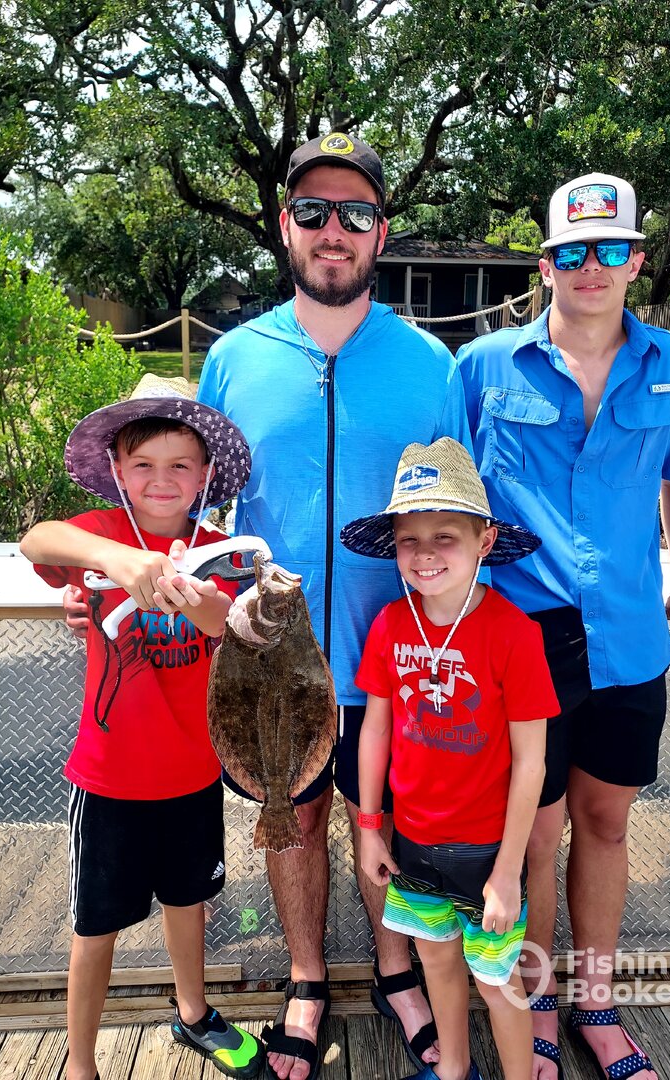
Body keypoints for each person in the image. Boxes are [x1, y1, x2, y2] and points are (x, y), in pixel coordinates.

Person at [195, 132, 471, 1080]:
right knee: (298, 819)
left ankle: (397, 974)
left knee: (387, 821)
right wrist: (123, 589)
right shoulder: (233, 358)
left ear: (381, 232)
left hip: (400, 656)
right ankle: (308, 978)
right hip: (276, 662)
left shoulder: (430, 363)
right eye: (313, 211)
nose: (334, 230)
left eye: (356, 213)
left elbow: (462, 513)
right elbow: (196, 515)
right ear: (286, 226)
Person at [457, 173, 670, 1080]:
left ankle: (597, 1004)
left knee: (606, 822)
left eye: (611, 249)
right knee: (535, 834)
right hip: (521, 641)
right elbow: (447, 493)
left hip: (628, 640)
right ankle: (534, 1002)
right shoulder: (483, 366)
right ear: (546, 265)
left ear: (636, 262)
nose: (591, 267)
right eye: (572, 251)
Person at [21, 374, 264, 1080]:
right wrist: (118, 561)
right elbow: (38, 539)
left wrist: (194, 596)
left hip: (194, 775)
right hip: (107, 781)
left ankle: (194, 1013)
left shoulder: (221, 550)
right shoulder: (98, 535)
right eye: (145, 464)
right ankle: (80, 1062)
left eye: (181, 464)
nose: (163, 480)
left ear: (205, 475)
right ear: (119, 472)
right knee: (94, 926)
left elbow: (231, 623)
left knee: (190, 904)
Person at [340, 437, 559, 1080]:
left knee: (497, 980)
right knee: (435, 959)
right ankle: (454, 1068)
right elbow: (375, 731)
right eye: (409, 539)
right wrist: (370, 827)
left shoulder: (515, 634)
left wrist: (509, 871)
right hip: (413, 840)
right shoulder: (389, 625)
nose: (426, 553)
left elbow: (532, 764)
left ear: (484, 542)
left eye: (445, 536)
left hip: (488, 851)